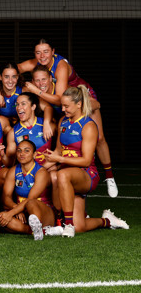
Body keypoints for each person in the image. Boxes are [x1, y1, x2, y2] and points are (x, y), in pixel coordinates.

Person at [18, 38, 118, 197]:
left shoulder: (60, 66)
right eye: (38, 52)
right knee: (58, 130)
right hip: (64, 105)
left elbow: (59, 98)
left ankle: (109, 176)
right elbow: (15, 69)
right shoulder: (36, 64)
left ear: (53, 52)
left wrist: (35, 90)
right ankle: (61, 172)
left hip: (81, 97)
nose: (42, 55)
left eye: (45, 52)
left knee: (98, 138)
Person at [43, 86, 128, 237]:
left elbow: (86, 161)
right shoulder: (63, 121)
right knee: (80, 226)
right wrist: (42, 167)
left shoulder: (88, 126)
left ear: (79, 104)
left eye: (66, 106)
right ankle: (107, 220)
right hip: (68, 176)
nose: (63, 109)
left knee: (60, 175)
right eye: (62, 105)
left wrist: (59, 159)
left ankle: (67, 225)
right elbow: (58, 150)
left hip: (87, 174)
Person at [0, 140, 60, 240]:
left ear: (34, 154)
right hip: (23, 212)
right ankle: (41, 231)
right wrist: (16, 209)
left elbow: (31, 198)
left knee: (31, 203)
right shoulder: (13, 170)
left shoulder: (41, 172)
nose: (22, 154)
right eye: (19, 151)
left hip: (44, 213)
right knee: (1, 217)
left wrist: (11, 213)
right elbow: (6, 197)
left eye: (26, 151)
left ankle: (41, 227)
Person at [5, 92, 56, 170]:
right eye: (17, 104)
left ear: (33, 107)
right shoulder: (13, 133)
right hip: (26, 173)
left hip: (47, 169)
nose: (19, 107)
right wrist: (2, 155)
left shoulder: (48, 125)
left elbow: (62, 149)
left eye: (23, 104)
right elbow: (9, 162)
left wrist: (44, 168)